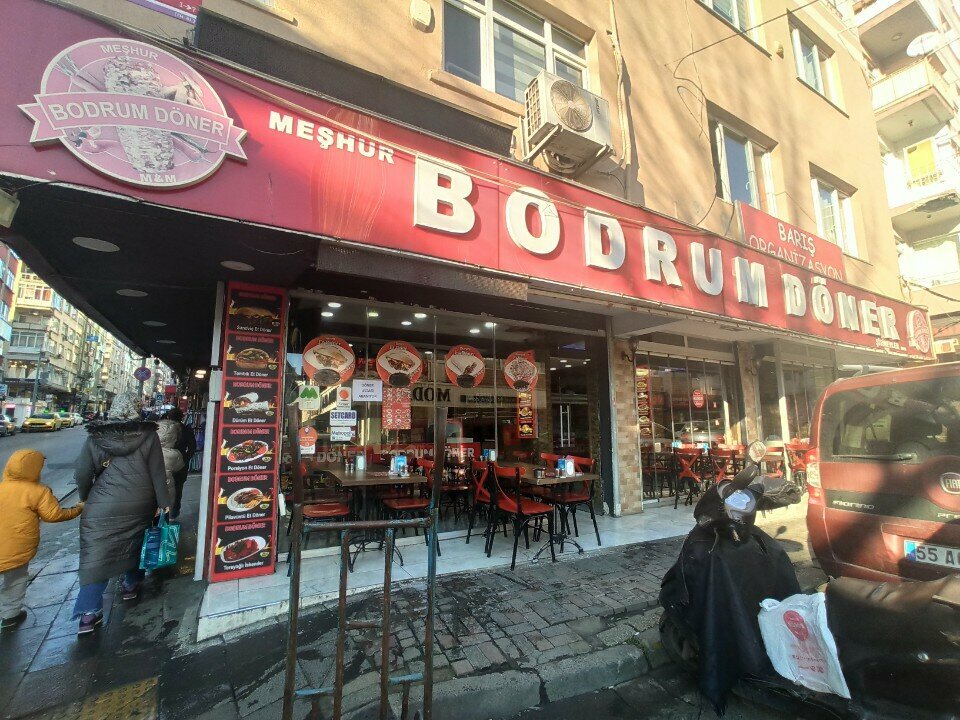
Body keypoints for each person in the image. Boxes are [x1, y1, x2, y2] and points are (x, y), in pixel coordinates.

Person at [72, 391, 170, 636]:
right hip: (140, 500)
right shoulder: (148, 434)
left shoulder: (96, 435)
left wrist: (86, 496)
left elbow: (82, 472)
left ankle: (89, 612)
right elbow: (158, 471)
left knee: (96, 554)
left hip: (102, 502)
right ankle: (130, 584)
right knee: (136, 540)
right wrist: (164, 503)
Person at [0, 450, 83, 631]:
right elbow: (53, 515)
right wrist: (77, 509)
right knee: (15, 581)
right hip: (16, 549)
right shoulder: (37, 491)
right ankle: (10, 615)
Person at [166, 408, 197, 519]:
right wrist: (185, 459)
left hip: (164, 461)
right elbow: (192, 447)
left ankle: (162, 513)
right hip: (180, 462)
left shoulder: (163, 429)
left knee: (162, 486)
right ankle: (174, 513)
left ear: (168, 417)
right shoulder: (186, 430)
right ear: (182, 417)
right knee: (178, 488)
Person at [156, 415, 185, 505]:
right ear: (174, 438)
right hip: (166, 493)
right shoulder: (175, 455)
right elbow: (180, 468)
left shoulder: (146, 450)